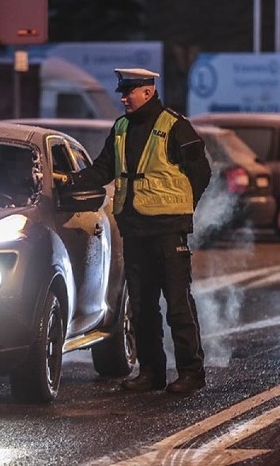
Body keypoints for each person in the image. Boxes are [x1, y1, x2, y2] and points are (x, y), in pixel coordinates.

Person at [64, 68, 212, 394]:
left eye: (129, 91)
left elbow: (200, 171)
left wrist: (183, 205)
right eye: (122, 91)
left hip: (168, 229)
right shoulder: (121, 127)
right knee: (143, 306)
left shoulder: (174, 125)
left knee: (177, 304)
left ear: (148, 91)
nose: (123, 97)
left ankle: (191, 372)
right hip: (134, 228)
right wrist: (71, 182)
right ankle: (151, 372)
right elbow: (104, 167)